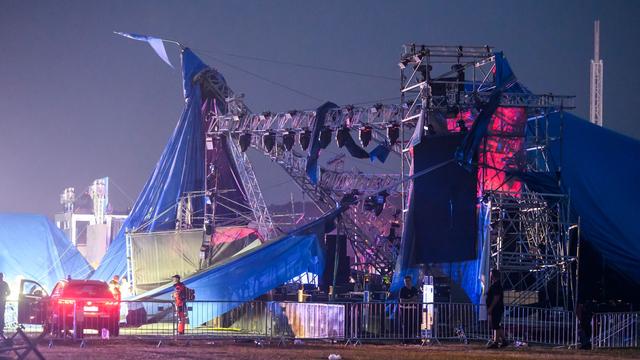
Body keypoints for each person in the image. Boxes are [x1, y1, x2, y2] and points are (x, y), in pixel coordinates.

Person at [486, 269, 506, 348]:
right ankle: (504, 341)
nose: (490, 276)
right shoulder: (496, 284)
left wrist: (490, 308)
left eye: (490, 274)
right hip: (496, 308)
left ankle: (496, 342)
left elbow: (496, 298)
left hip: (496, 308)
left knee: (495, 325)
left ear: (493, 275)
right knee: (496, 325)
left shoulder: (496, 285)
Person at [399, 275, 420, 343]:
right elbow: (402, 301)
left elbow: (416, 300)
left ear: (411, 281)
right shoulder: (402, 290)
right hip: (404, 311)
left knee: (413, 324)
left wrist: (408, 300)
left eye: (408, 281)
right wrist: (411, 299)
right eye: (406, 281)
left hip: (413, 311)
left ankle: (412, 338)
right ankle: (405, 339)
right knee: (405, 324)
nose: (407, 283)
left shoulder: (414, 289)